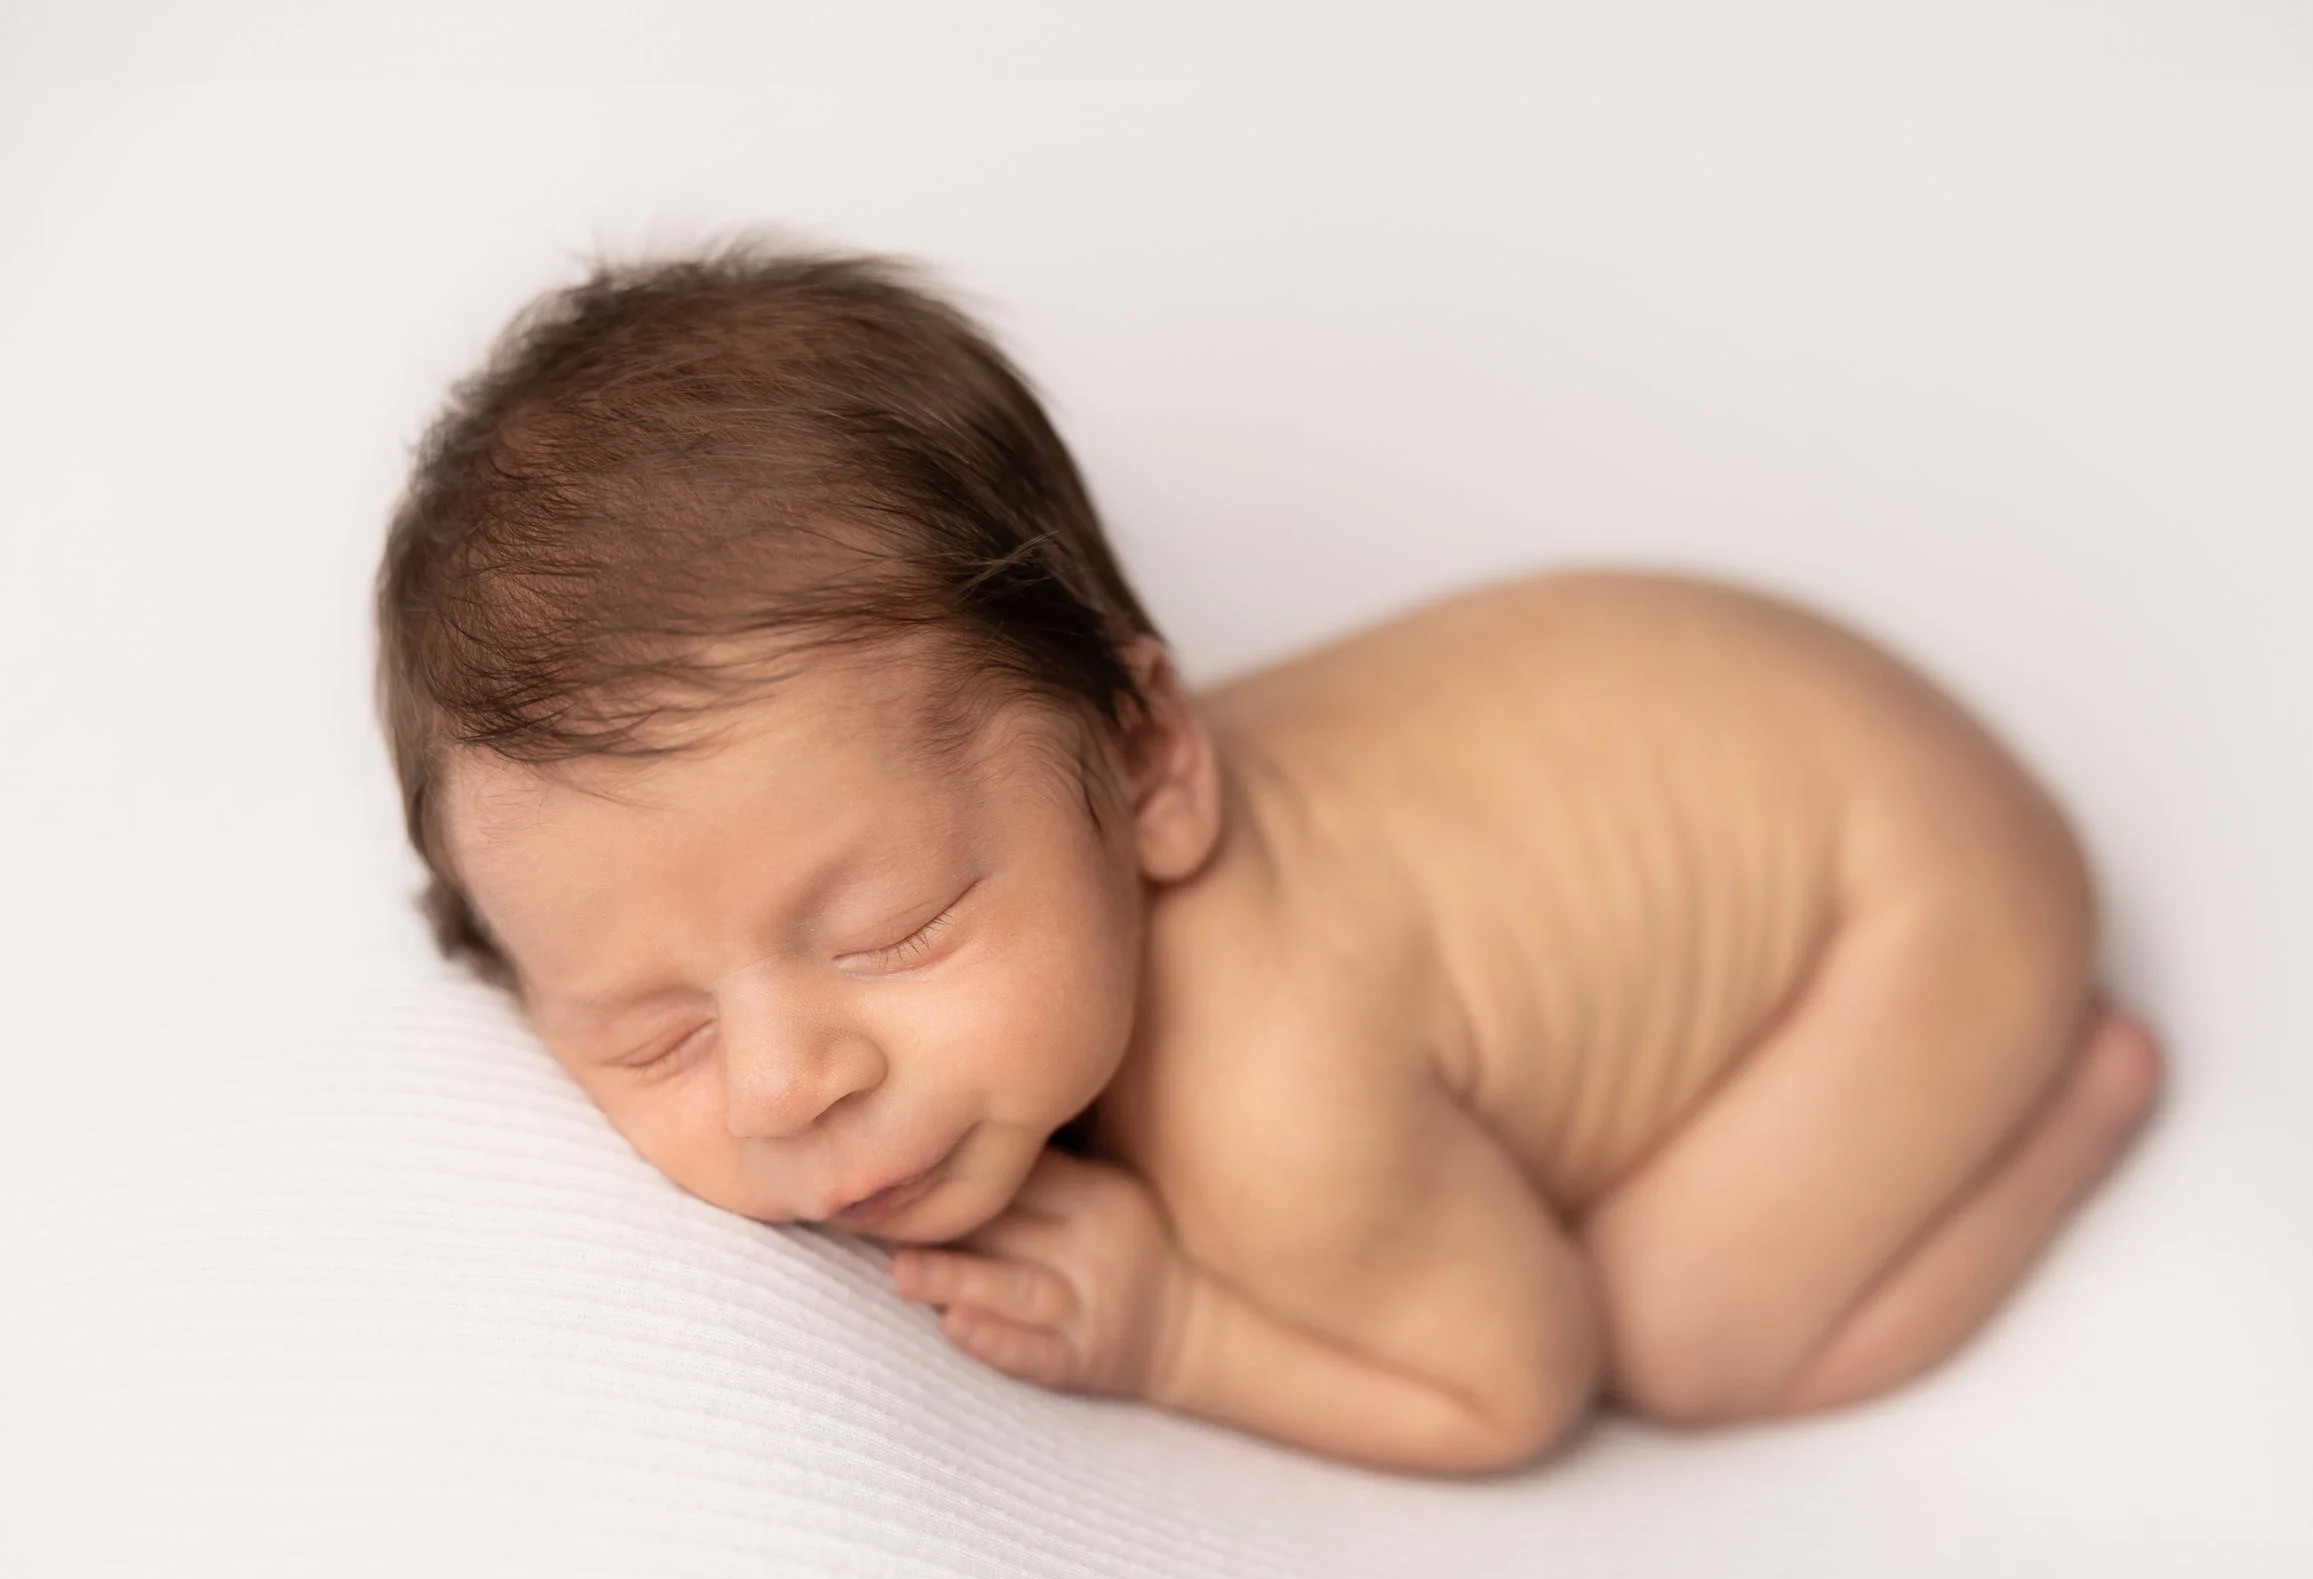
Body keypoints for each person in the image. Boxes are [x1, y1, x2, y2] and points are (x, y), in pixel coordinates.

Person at [376, 243, 2162, 1474]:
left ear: (1152, 763)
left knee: (1679, 1332)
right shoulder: (1009, 799)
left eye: (894, 927)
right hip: (1749, 703)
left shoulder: (1271, 1097)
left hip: (1916, 888)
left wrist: (1180, 1335)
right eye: (650, 1030)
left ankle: (2072, 1098)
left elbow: (1511, 1380)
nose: (784, 1084)